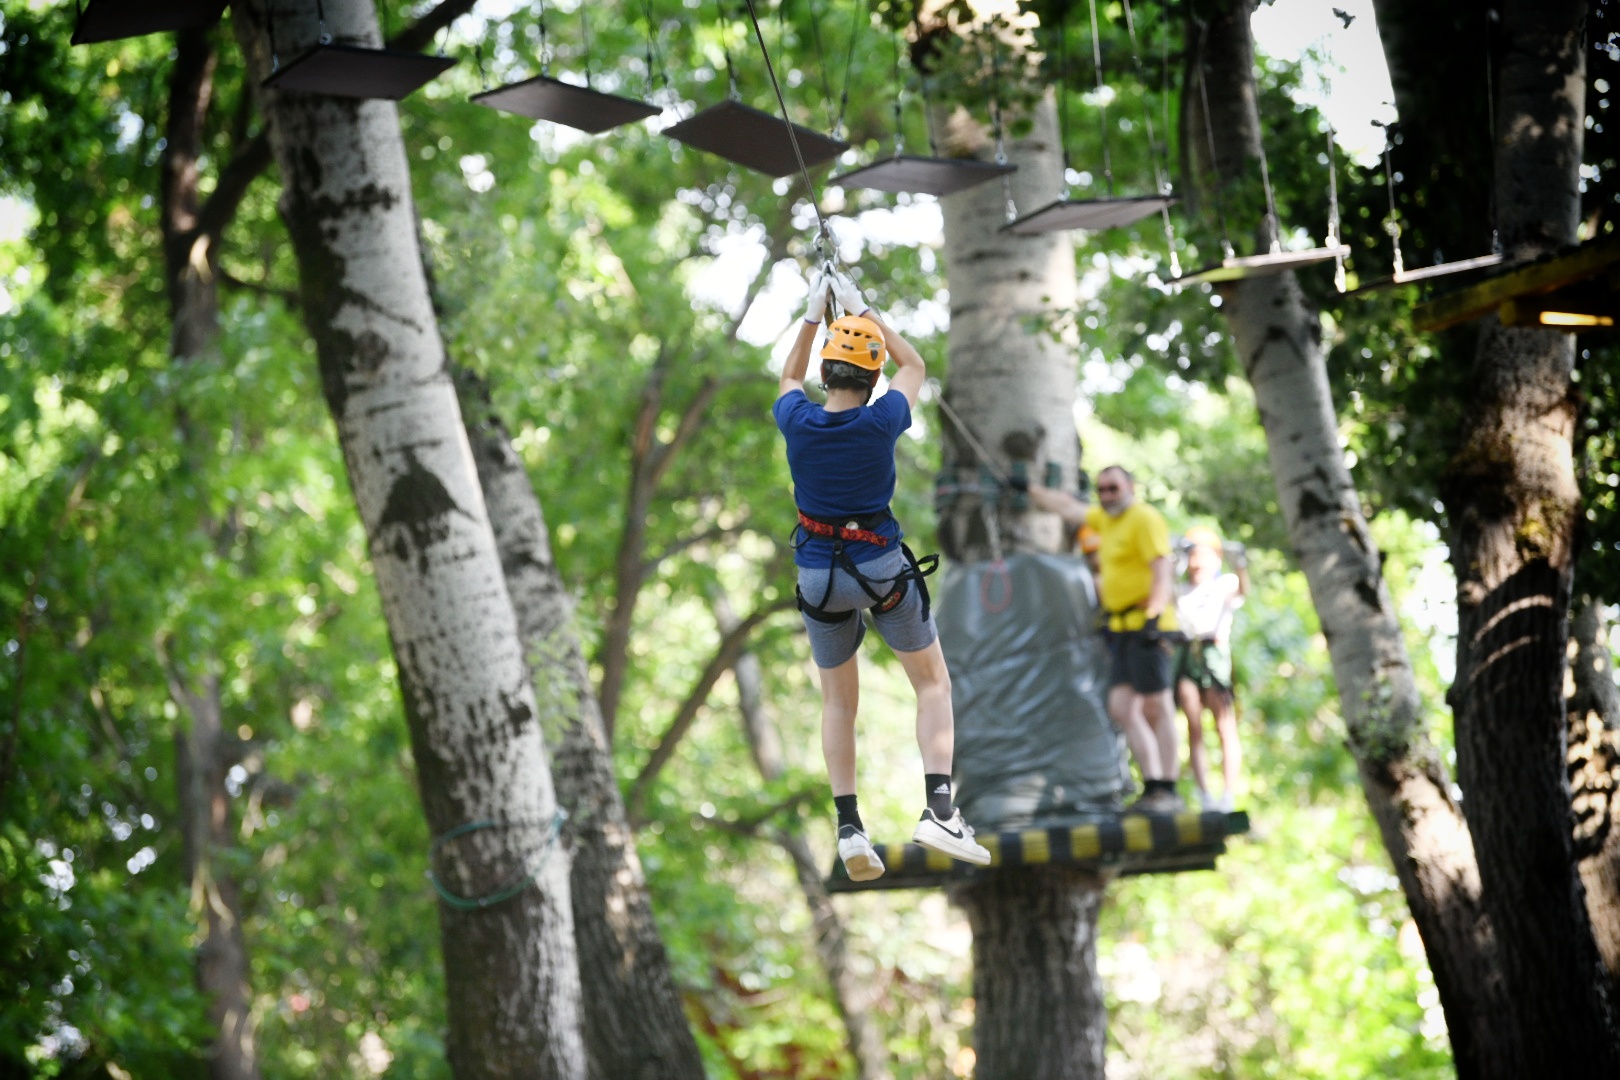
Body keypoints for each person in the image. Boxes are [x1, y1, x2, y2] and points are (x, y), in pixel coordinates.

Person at [775, 265, 991, 881]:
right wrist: (869, 313)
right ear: (872, 381)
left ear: (826, 373)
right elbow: (915, 365)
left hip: (819, 576)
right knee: (932, 686)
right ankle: (939, 810)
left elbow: (789, 375)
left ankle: (848, 828)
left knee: (838, 705)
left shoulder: (798, 419)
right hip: (878, 568)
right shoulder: (880, 420)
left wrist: (815, 314)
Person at [1026, 467, 1184, 813]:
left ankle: (1169, 788)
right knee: (1122, 707)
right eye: (1102, 489)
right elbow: (1068, 507)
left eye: (1114, 488)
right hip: (1121, 628)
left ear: (1130, 487)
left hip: (1148, 624)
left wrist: (1154, 617)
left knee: (1157, 706)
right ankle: (1154, 784)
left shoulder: (1143, 518)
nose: (1107, 495)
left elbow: (1162, 568)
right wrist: (1030, 489)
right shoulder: (1104, 519)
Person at [1174, 525, 1249, 812]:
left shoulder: (1224, 585)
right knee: (1194, 725)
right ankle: (1205, 794)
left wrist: (1239, 563)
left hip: (1214, 653)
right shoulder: (1180, 589)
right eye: (1193, 555)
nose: (1197, 562)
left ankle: (1227, 794)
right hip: (1187, 654)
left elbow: (1243, 588)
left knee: (1224, 725)